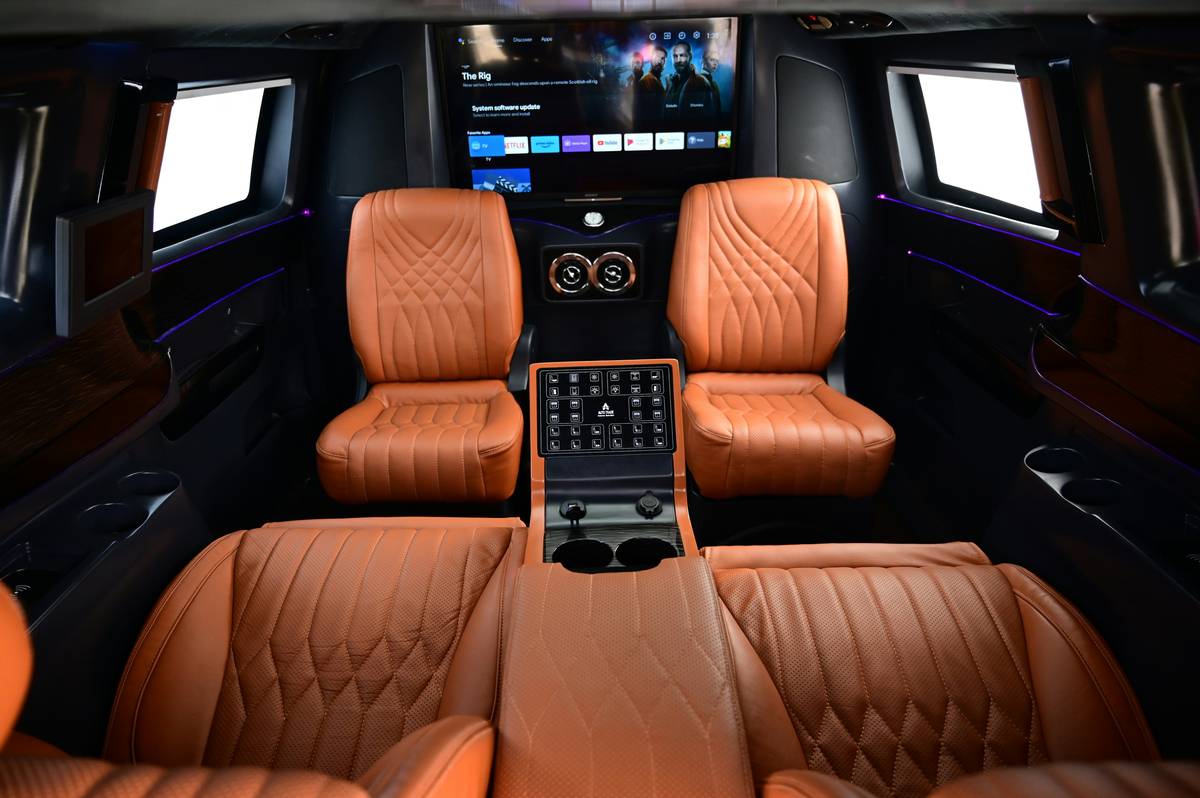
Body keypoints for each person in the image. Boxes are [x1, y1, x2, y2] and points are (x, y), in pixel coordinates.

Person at [665, 41, 715, 118]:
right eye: (675, 56)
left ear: (690, 57)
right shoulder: (671, 83)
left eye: (682, 55)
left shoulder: (701, 82)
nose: (678, 60)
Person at [701, 45, 722, 114]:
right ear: (703, 61)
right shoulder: (697, 80)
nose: (715, 63)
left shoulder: (714, 84)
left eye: (717, 61)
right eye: (712, 60)